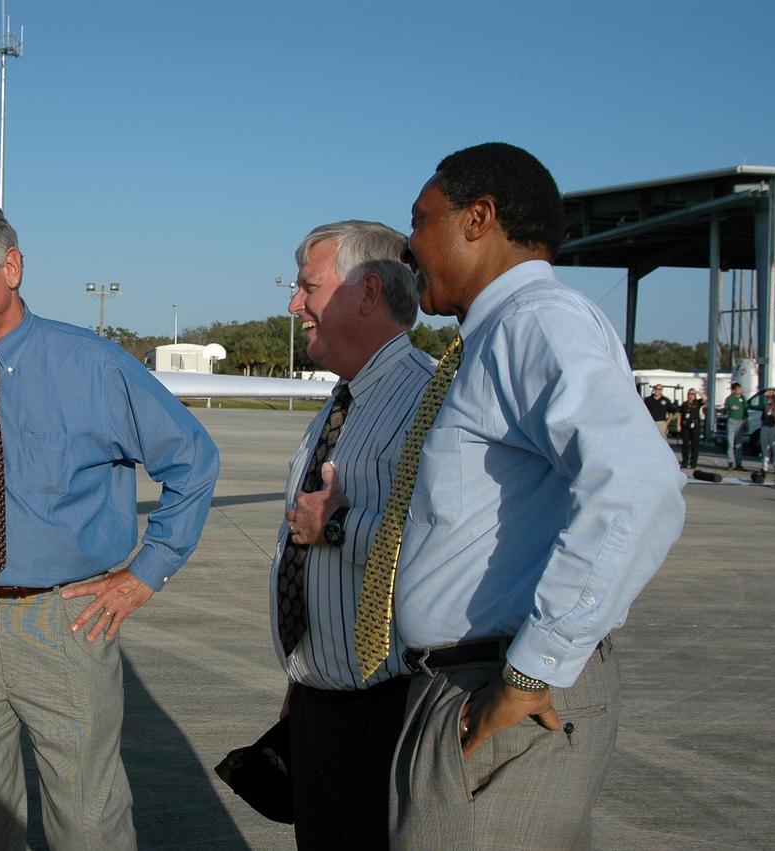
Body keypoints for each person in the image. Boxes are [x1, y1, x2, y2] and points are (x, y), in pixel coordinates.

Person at [0, 202, 219, 850]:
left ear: (11, 266)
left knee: (89, 823)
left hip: (62, 619)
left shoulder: (92, 365)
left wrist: (145, 572)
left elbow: (193, 459)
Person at [378, 143, 686, 848]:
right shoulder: (507, 331)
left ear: (479, 218)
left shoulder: (533, 323)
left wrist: (532, 669)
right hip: (476, 679)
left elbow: (638, 483)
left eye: (421, 220)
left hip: (501, 686)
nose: (407, 244)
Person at [268, 220, 434, 848]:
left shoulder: (428, 402)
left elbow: (447, 539)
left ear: (365, 294)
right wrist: (302, 678)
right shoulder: (343, 402)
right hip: (320, 702)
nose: (293, 304)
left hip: (386, 712)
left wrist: (337, 525)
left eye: (307, 286)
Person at [679, 388, 704, 468]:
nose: (691, 395)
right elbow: (680, 414)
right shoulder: (684, 404)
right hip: (686, 426)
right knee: (685, 444)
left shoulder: (697, 403)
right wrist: (678, 424)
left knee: (695, 445)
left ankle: (693, 463)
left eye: (693, 394)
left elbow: (705, 398)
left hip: (695, 425)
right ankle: (685, 462)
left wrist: (698, 392)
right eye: (690, 394)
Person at [760, 389, 775, 474]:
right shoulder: (766, 405)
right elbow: (763, 416)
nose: (769, 398)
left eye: (771, 397)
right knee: (765, 448)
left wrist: (774, 393)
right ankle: (764, 467)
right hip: (765, 426)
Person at [724, 382, 747, 469]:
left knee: (739, 443)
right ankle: (730, 461)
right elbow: (725, 409)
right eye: (738, 389)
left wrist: (745, 420)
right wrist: (730, 408)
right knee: (730, 443)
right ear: (734, 390)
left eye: (740, 389)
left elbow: (745, 410)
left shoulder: (743, 398)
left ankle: (739, 463)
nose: (740, 390)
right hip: (732, 421)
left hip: (740, 422)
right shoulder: (729, 399)